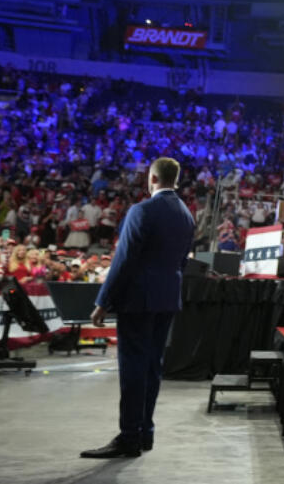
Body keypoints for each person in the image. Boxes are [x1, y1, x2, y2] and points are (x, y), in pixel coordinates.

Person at [81, 157, 195, 459]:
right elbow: (182, 261)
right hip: (167, 298)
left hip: (138, 301)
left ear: (153, 179)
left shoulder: (142, 210)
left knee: (133, 368)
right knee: (152, 368)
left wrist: (103, 301)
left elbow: (124, 259)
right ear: (176, 179)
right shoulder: (186, 215)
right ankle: (145, 432)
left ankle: (129, 436)